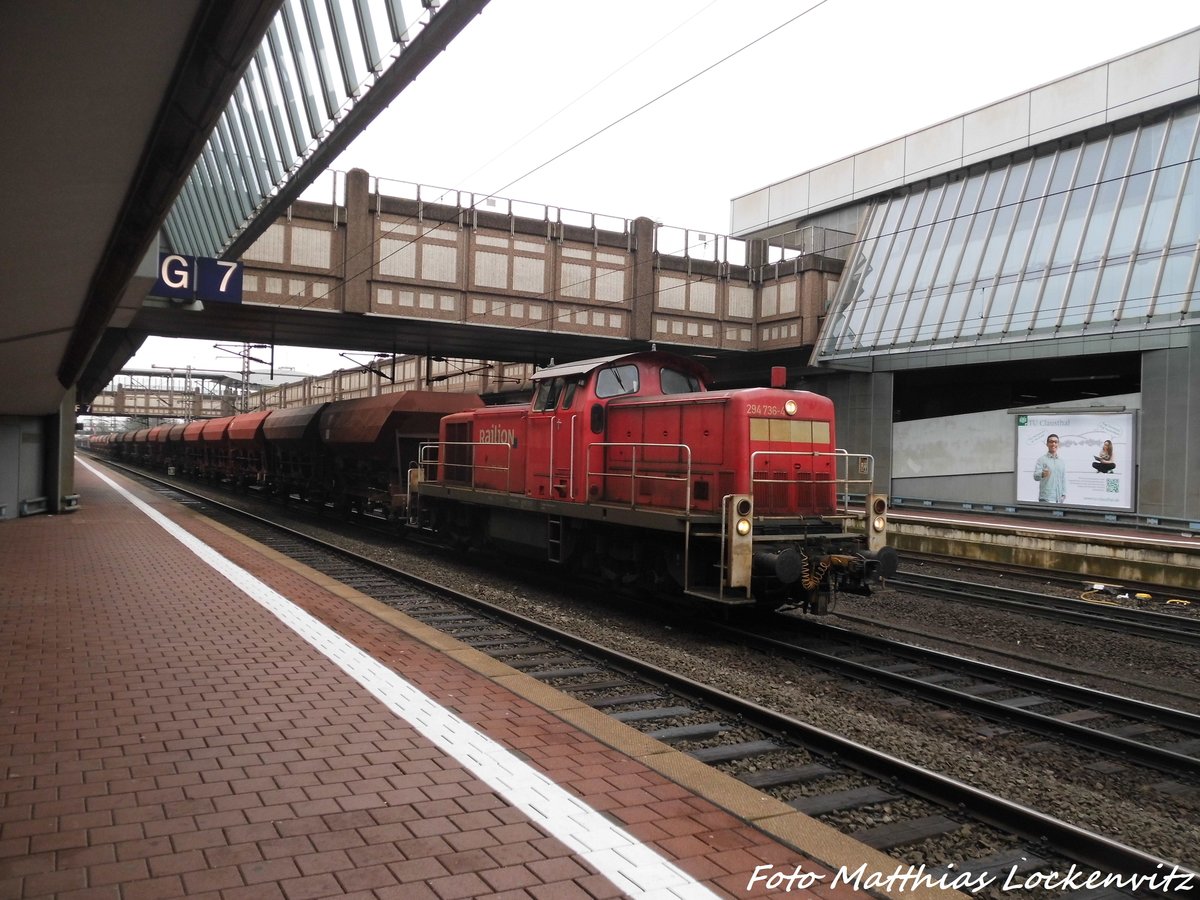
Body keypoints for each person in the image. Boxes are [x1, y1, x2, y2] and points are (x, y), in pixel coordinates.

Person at [1032, 434, 1067, 503]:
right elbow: (1035, 476)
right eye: (1051, 442)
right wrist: (1042, 474)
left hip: (1059, 499)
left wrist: (1064, 494)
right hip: (1046, 499)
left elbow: (1063, 478)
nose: (1053, 444)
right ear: (1047, 444)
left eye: (1055, 442)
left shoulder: (1061, 462)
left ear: (1058, 444)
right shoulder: (1041, 460)